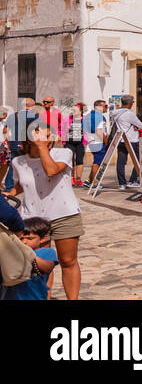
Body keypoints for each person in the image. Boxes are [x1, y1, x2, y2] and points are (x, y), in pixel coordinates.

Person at [9, 126, 83, 299]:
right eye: (43, 135)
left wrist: (42, 147)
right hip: (33, 217)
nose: (48, 138)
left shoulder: (62, 153)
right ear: (29, 139)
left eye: (49, 135)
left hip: (64, 214)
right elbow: (23, 182)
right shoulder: (18, 161)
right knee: (40, 262)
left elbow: (51, 171)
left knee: (68, 261)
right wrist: (12, 193)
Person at [1, 216, 59, 301]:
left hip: (35, 296)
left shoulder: (46, 252)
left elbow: (47, 267)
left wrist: (28, 255)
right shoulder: (12, 253)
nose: (24, 242)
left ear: (42, 238)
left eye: (30, 239)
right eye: (20, 239)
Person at [111, 96, 142, 190]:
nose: (133, 104)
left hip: (120, 139)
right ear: (129, 103)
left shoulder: (115, 113)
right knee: (138, 160)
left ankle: (122, 183)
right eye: (132, 102)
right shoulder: (130, 114)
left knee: (121, 162)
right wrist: (135, 126)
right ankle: (132, 181)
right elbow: (141, 126)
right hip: (131, 140)